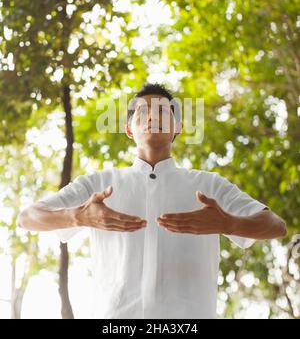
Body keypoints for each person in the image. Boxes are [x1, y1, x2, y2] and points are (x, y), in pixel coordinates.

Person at [18, 83, 287, 319]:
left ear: (178, 127)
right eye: (142, 112)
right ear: (128, 129)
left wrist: (228, 223)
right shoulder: (97, 184)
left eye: (163, 111)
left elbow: (275, 225)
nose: (152, 116)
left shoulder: (209, 185)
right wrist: (77, 216)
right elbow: (28, 217)